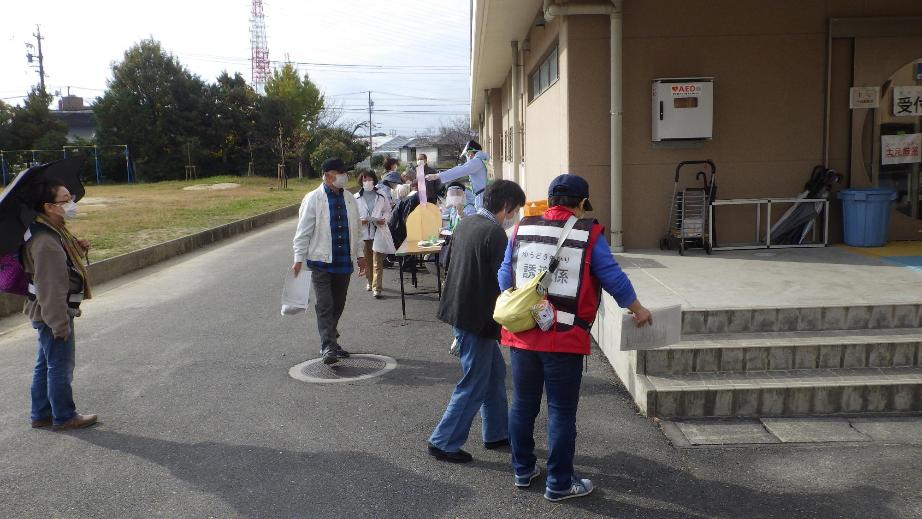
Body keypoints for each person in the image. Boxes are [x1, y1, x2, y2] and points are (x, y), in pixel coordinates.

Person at [497, 174, 653, 501]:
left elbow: (503, 276)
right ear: (581, 203)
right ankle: (559, 482)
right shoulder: (589, 233)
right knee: (561, 411)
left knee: (523, 405)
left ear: (551, 199)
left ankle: (522, 470)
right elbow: (613, 277)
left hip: (523, 334)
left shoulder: (523, 228)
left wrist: (527, 305)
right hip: (564, 338)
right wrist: (638, 309)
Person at [427, 180, 527, 463]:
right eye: (515, 209)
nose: (515, 215)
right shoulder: (495, 235)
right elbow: (504, 281)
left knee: (493, 374)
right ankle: (443, 440)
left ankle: (496, 432)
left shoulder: (467, 223)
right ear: (506, 206)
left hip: (460, 310)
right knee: (474, 381)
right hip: (477, 317)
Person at [22, 180, 96, 430]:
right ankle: (64, 416)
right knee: (60, 365)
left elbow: (59, 266)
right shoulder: (46, 242)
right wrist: (59, 324)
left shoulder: (49, 230)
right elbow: (51, 288)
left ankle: (41, 413)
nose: (72, 203)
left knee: (46, 363)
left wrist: (78, 247)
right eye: (66, 199)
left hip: (44, 310)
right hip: (53, 312)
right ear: (49, 206)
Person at [292, 158, 367, 365]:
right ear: (326, 175)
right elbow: (303, 232)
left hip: (343, 261)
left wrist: (360, 256)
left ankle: (331, 341)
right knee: (325, 304)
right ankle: (327, 345)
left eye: (345, 172)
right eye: (339, 172)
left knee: (338, 304)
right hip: (320, 261)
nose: (344, 175)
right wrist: (298, 259)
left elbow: (358, 231)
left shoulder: (350, 198)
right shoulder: (313, 198)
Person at [426, 141, 491, 210]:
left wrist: (438, 175)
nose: (467, 157)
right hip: (485, 195)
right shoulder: (483, 161)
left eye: (467, 154)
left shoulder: (476, 162)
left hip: (482, 198)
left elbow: (459, 170)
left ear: (470, 153)